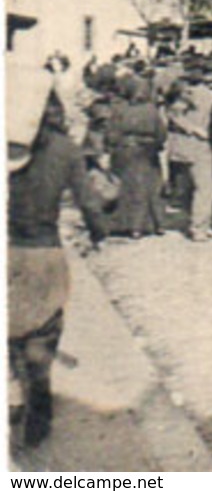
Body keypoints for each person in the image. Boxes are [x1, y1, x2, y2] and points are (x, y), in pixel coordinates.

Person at [8, 58, 109, 447]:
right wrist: (99, 234)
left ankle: (12, 396)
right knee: (41, 334)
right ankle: (39, 410)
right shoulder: (65, 150)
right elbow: (89, 202)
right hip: (43, 253)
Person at [105, 74, 166, 238]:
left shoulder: (119, 109)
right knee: (151, 187)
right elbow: (161, 134)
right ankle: (155, 224)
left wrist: (112, 148)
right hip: (147, 151)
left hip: (125, 151)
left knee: (129, 188)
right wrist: (157, 145)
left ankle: (131, 225)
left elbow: (111, 134)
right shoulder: (151, 110)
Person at [165, 69, 212, 241]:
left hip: (181, 146)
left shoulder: (184, 93)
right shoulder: (205, 96)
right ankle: (200, 227)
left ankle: (200, 223)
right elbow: (174, 115)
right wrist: (195, 129)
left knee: (191, 187)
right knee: (206, 188)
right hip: (199, 146)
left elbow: (172, 115)